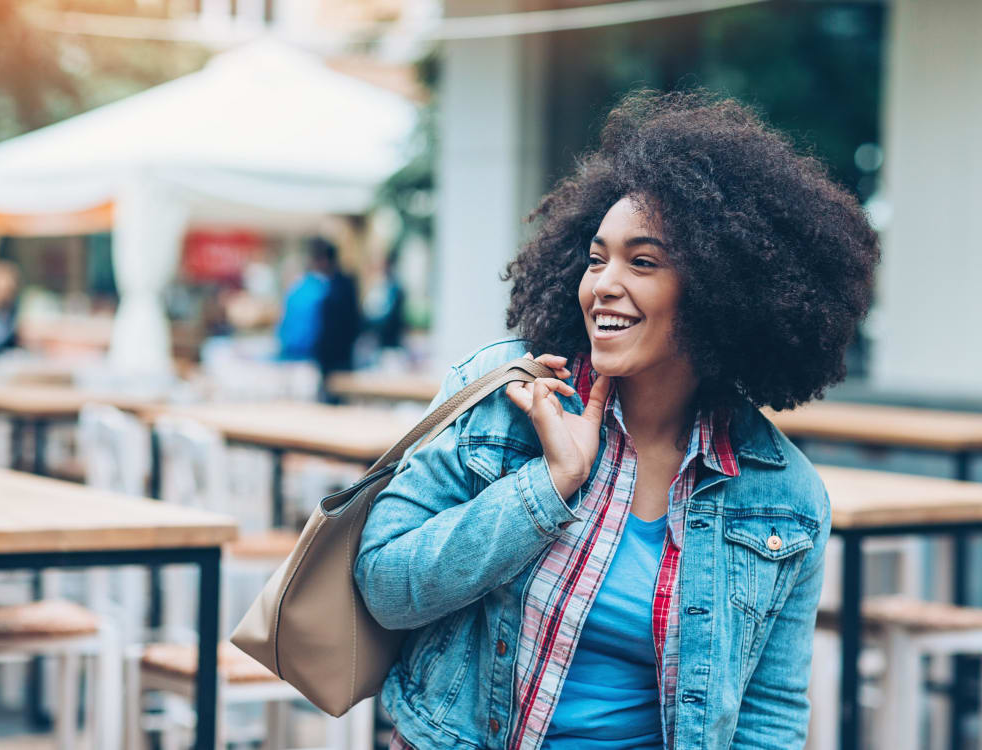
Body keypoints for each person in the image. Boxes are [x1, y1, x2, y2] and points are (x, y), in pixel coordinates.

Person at [355, 90, 879, 750]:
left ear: (722, 289)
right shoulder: (503, 399)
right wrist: (544, 489)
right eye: (597, 257)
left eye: (644, 261)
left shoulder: (784, 498)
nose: (602, 284)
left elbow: (767, 716)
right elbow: (385, 586)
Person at [309, 236, 361, 376]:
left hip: (337, 355)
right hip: (336, 354)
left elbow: (346, 323)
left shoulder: (339, 287)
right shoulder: (335, 283)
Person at [276, 242, 329, 361]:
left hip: (291, 352)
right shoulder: (323, 290)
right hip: (311, 354)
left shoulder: (295, 291)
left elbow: (283, 326)